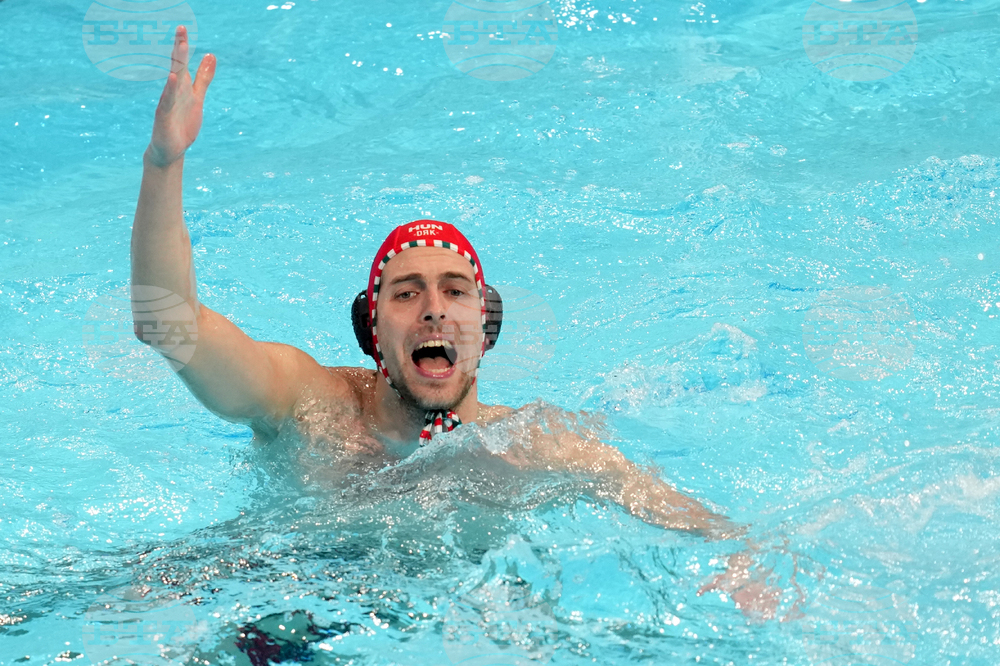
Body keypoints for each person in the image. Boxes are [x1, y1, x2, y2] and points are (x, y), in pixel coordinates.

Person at [131, 26, 784, 619]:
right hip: (274, 600)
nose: (434, 308)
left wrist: (743, 558)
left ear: (485, 326)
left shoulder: (529, 444)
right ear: (372, 332)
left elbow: (685, 514)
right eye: (406, 293)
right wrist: (164, 165)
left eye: (454, 291)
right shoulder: (306, 403)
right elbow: (169, 326)